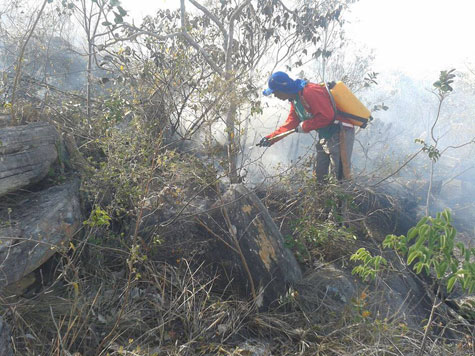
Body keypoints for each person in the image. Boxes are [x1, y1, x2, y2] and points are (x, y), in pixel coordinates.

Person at [258, 71, 355, 181]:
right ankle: (321, 196)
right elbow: (290, 124)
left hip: (340, 132)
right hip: (325, 135)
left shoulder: (309, 91)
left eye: (275, 92)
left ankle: (341, 196)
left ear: (283, 88)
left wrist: (305, 126)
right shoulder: (295, 100)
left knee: (339, 175)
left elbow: (328, 116)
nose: (275, 96)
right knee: (320, 175)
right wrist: (270, 139)